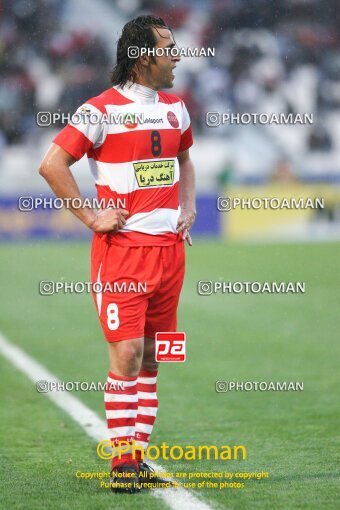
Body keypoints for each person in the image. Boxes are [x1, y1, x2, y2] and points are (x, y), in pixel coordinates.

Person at [39, 15, 196, 493]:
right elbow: (52, 164)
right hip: (122, 253)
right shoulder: (99, 111)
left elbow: (185, 159)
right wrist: (90, 217)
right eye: (169, 47)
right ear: (143, 56)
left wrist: (187, 205)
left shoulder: (177, 109)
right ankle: (122, 464)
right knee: (126, 354)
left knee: (154, 355)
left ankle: (138, 458)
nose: (177, 55)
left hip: (170, 251)